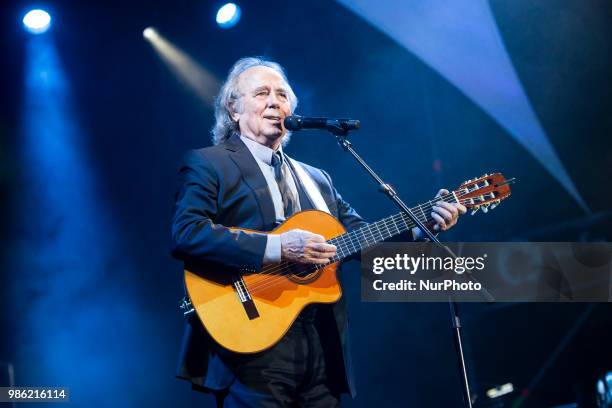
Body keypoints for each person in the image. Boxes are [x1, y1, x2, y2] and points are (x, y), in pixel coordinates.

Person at [171, 56, 466, 407]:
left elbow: (360, 239)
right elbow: (188, 232)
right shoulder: (210, 163)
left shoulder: (317, 178)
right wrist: (278, 247)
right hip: (250, 340)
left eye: (282, 95)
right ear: (233, 110)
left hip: (321, 343)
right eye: (262, 93)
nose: (274, 101)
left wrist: (423, 225)